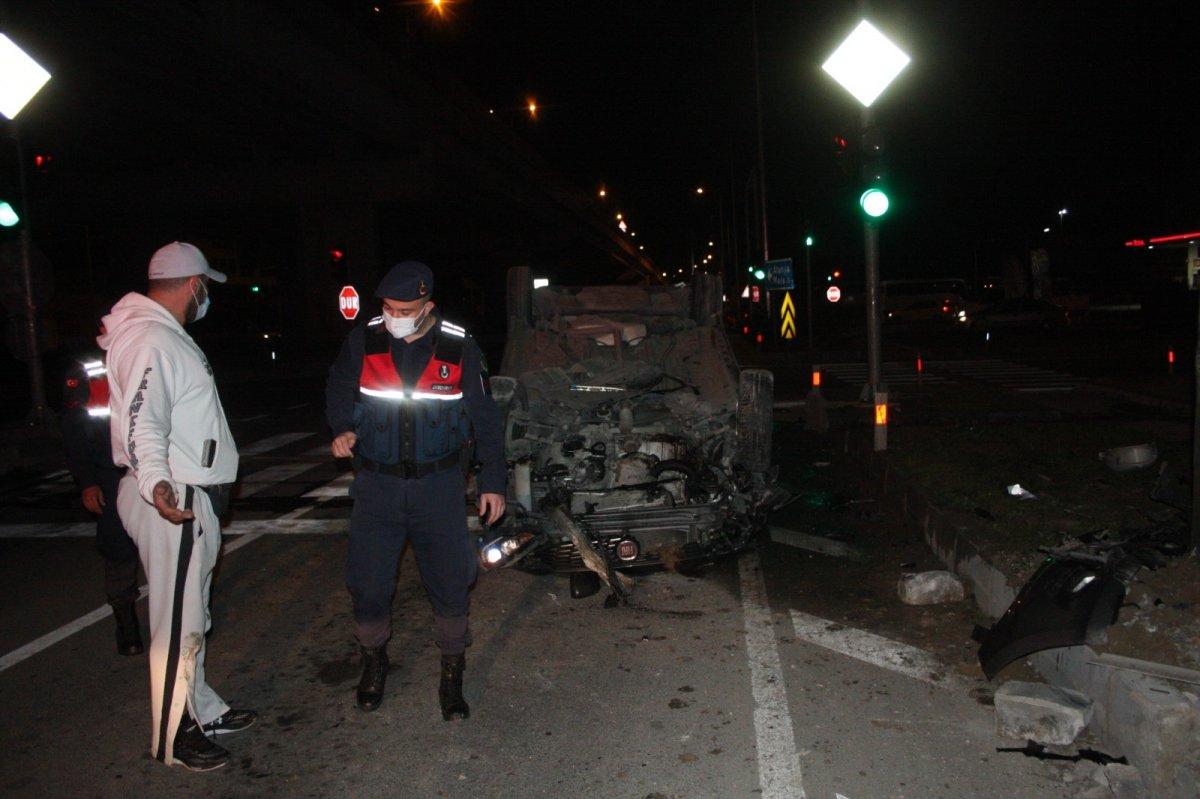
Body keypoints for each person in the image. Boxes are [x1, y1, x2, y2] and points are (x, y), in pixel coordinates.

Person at [325, 260, 506, 720]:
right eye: (387, 307)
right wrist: (342, 428)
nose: (394, 315)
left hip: (439, 488)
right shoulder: (364, 338)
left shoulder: (458, 345)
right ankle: (373, 661)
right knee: (367, 584)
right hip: (377, 487)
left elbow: (485, 419)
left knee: (450, 584)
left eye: (405, 308)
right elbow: (338, 387)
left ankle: (452, 674)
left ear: (427, 306)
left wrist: (493, 483)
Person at [99, 242, 256, 771]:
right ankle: (173, 736)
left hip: (189, 493)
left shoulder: (160, 334)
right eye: (204, 285)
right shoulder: (151, 337)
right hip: (176, 497)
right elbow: (145, 419)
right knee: (176, 622)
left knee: (194, 613)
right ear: (193, 284)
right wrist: (158, 483)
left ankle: (201, 708)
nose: (205, 294)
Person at [61, 334, 143, 655]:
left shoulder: (145, 354)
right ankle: (127, 625)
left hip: (149, 469)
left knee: (168, 546)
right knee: (117, 547)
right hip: (108, 474)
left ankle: (185, 622)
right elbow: (74, 427)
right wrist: (87, 481)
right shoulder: (88, 369)